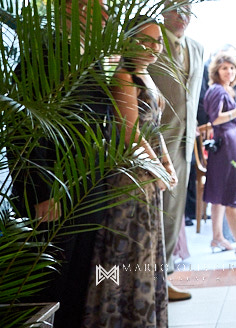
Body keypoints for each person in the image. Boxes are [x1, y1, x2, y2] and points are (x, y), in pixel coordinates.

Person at [8, 0, 113, 328]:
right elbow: (26, 130)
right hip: (56, 192)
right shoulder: (44, 55)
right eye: (100, 9)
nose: (108, 17)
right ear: (73, 11)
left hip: (85, 186)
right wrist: (40, 192)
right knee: (54, 281)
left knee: (82, 277)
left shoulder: (88, 55)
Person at [83, 17, 177, 327]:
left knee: (146, 252)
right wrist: (156, 169)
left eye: (158, 41)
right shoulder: (123, 77)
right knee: (129, 251)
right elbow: (130, 134)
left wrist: (167, 164)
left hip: (148, 176)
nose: (154, 47)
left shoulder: (145, 75)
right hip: (131, 178)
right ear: (129, 41)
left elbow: (153, 129)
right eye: (146, 40)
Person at [149, 0, 204, 301]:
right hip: (156, 143)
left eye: (188, 11)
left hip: (183, 145)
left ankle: (164, 280)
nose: (183, 16)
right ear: (164, 14)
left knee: (174, 215)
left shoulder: (197, 48)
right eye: (176, 11)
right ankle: (149, 281)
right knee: (155, 215)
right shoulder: (152, 45)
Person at [202, 53, 236, 255]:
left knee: (219, 194)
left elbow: (230, 119)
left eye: (232, 68)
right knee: (232, 194)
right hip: (225, 145)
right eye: (225, 68)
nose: (230, 72)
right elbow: (216, 119)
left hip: (230, 141)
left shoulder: (226, 90)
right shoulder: (216, 90)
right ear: (216, 70)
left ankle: (217, 237)